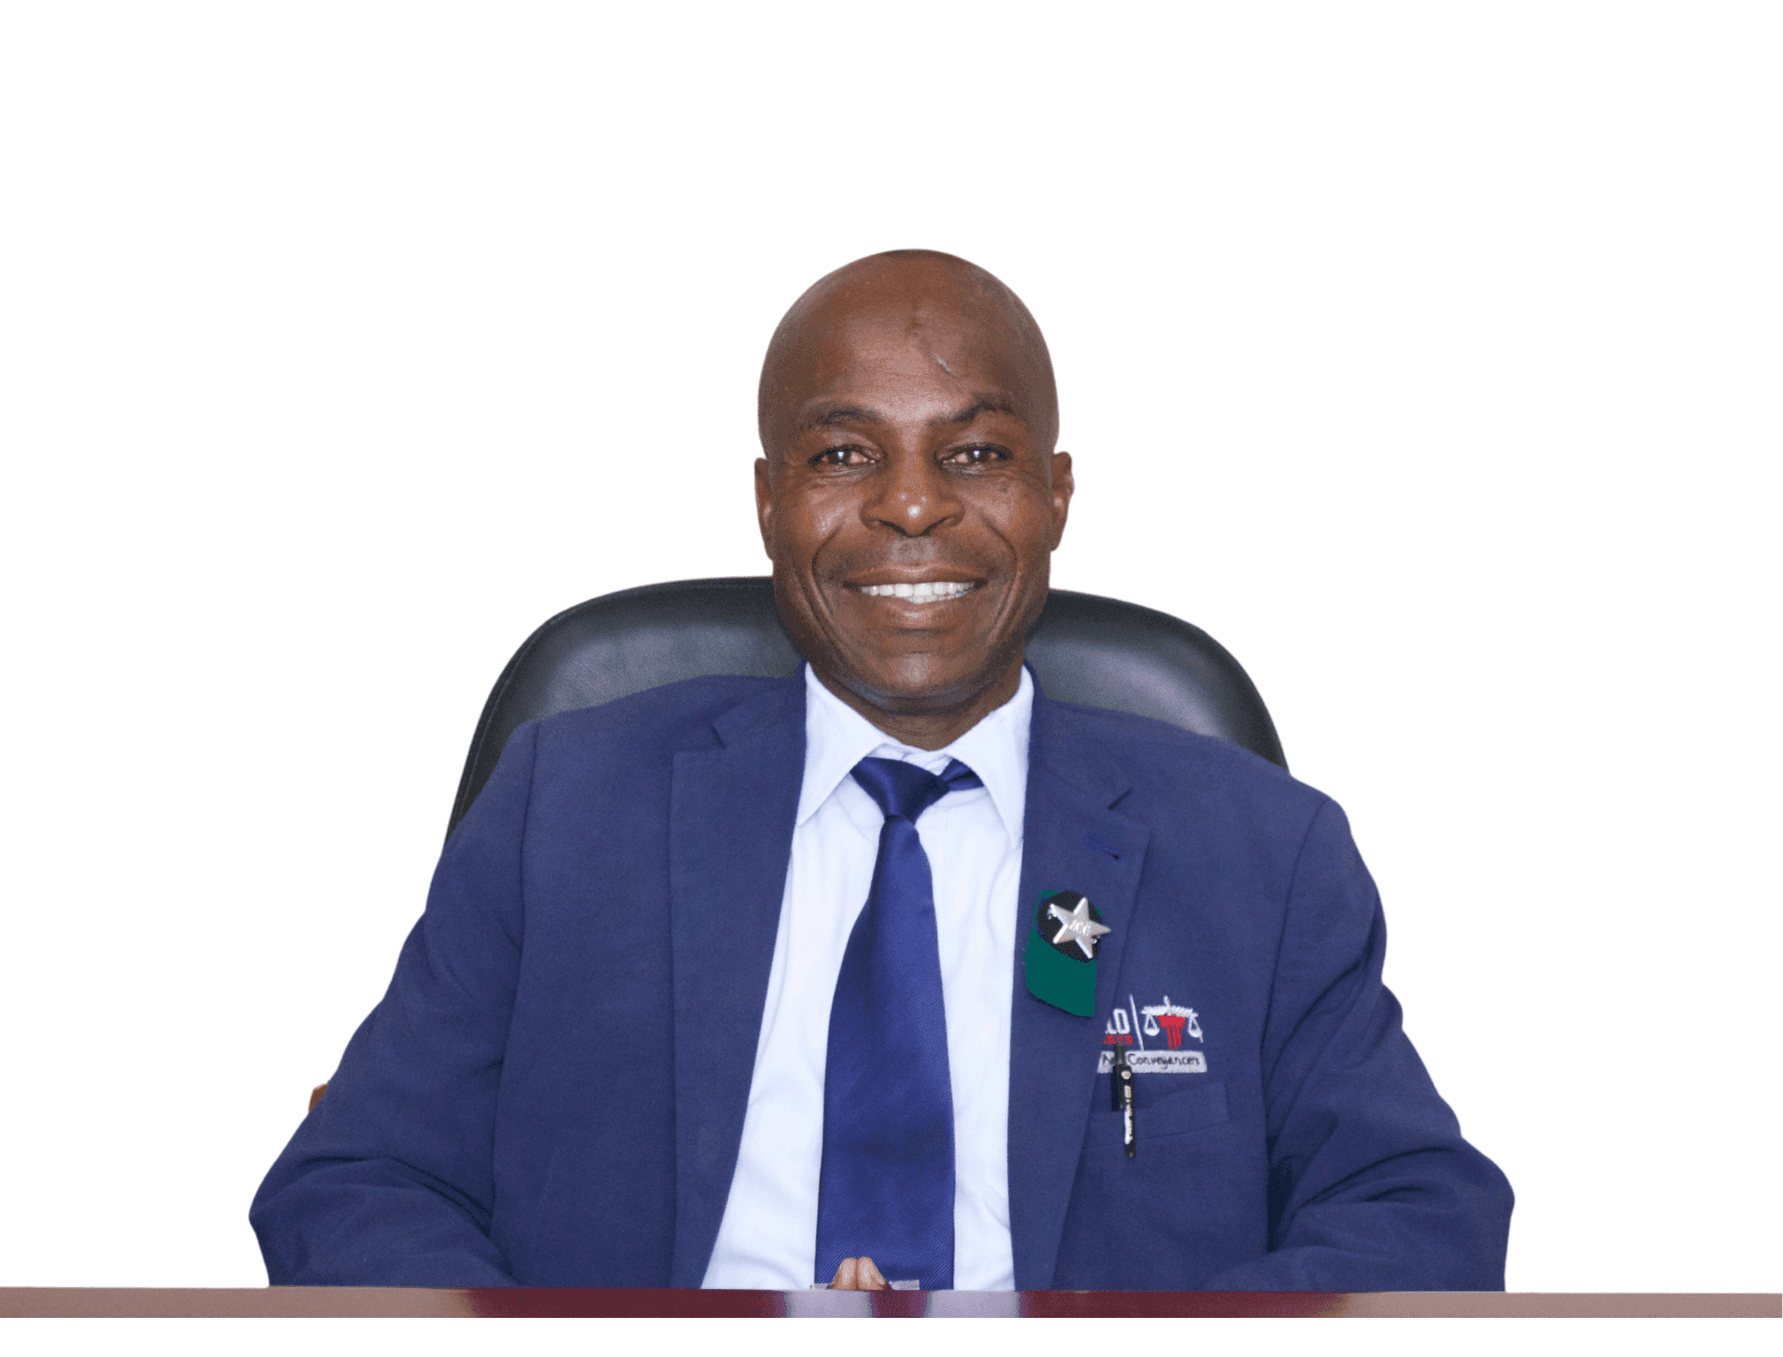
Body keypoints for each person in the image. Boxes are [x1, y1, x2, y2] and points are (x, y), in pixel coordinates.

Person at [251, 250, 1513, 1292]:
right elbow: (359, 1182)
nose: (912, 507)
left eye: (974, 455)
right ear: (767, 501)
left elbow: (1417, 1218)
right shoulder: (565, 809)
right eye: (844, 455)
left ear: (1056, 495)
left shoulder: (1264, 854)